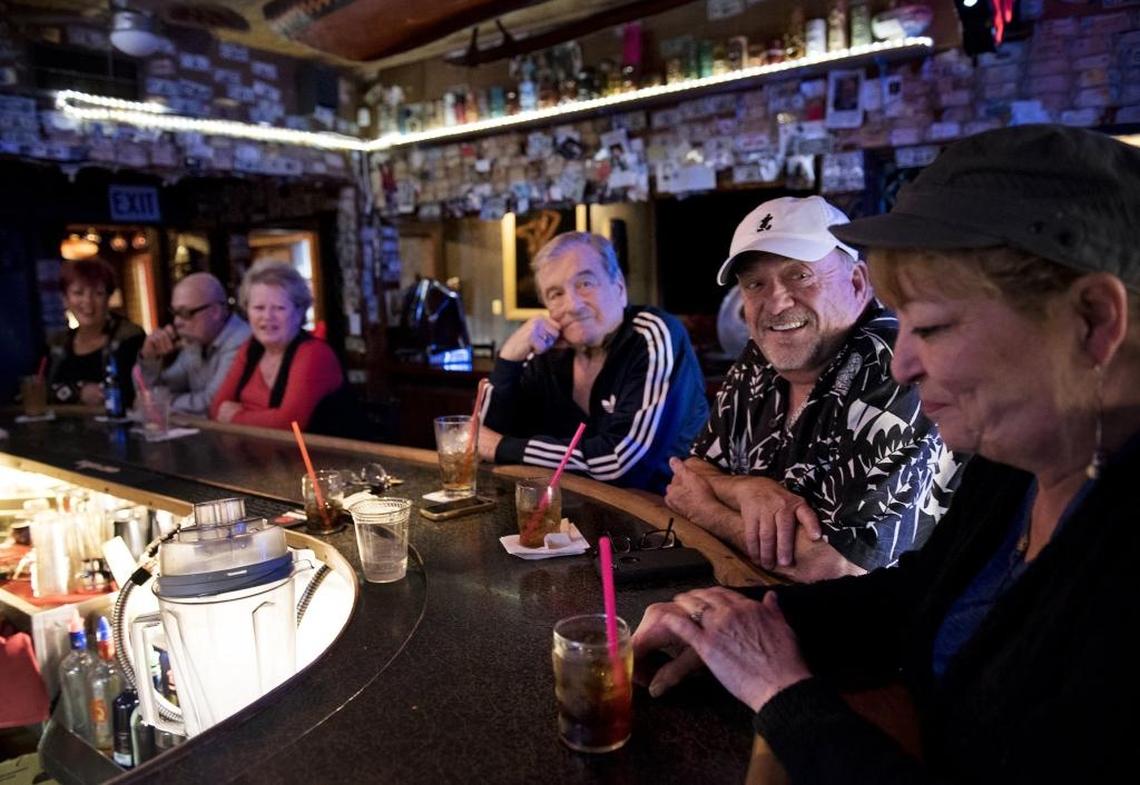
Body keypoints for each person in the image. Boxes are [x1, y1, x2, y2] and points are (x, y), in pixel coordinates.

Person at [632, 125, 1140, 783]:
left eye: (929, 326)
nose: (902, 363)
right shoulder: (1014, 466)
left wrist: (784, 696)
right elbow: (907, 598)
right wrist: (733, 619)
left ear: (1092, 321)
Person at [668, 195, 960, 580]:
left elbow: (837, 565)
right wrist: (746, 490)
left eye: (798, 274)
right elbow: (690, 474)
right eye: (755, 283)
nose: (775, 303)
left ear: (858, 282)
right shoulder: (765, 352)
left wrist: (709, 513)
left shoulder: (893, 367)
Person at [479, 232, 708, 494]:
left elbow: (622, 463)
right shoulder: (548, 353)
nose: (573, 305)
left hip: (662, 516)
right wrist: (509, 358)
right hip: (573, 513)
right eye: (555, 294)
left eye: (585, 283)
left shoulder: (654, 334)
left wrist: (501, 447)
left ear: (619, 288)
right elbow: (482, 439)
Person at [209, 261, 343, 431]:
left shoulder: (314, 354)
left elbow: (289, 424)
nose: (267, 316)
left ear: (299, 311)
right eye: (258, 308)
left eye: (279, 308)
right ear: (247, 311)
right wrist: (267, 417)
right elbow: (216, 410)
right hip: (257, 453)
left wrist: (236, 416)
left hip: (314, 456)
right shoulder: (251, 349)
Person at [136, 272, 250, 417]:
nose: (177, 322)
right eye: (175, 312)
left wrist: (157, 404)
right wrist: (149, 358)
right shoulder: (196, 342)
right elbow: (164, 387)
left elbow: (210, 404)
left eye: (185, 313)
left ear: (215, 311)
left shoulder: (242, 340)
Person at [46, 258, 145, 410]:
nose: (88, 302)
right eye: (78, 293)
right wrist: (79, 392)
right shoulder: (56, 343)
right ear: (65, 299)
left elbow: (134, 392)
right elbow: (32, 391)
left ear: (108, 298)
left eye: (98, 293)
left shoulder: (129, 336)